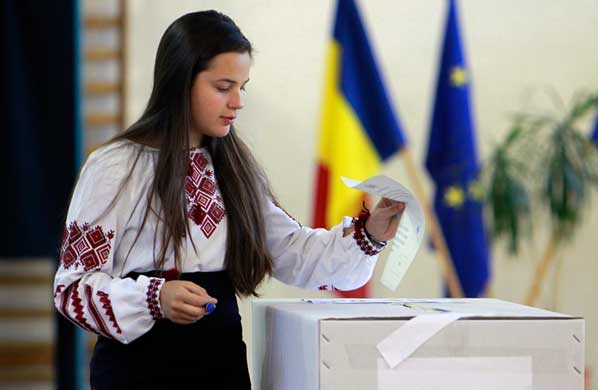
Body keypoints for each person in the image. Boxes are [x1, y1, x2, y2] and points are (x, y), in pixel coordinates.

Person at [53, 10, 404, 389]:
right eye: (223, 87)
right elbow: (72, 288)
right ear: (180, 81)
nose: (237, 102)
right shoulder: (114, 167)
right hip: (136, 372)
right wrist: (155, 297)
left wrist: (370, 233)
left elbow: (294, 252)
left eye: (242, 87)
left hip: (220, 368)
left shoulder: (236, 169)